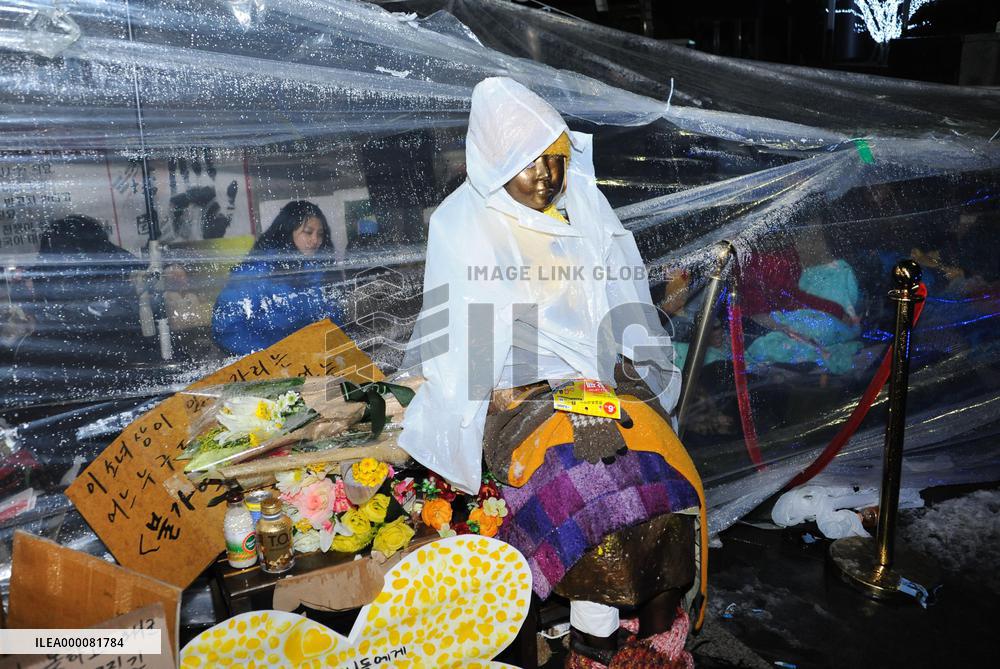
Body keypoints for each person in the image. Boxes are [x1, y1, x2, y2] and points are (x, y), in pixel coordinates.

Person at [399, 78, 706, 669]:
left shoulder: (583, 213)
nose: (546, 176)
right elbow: (457, 345)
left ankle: (658, 636)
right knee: (590, 489)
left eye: (555, 160)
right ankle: (594, 644)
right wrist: (493, 394)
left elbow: (622, 306)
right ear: (494, 165)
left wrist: (632, 363)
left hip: (598, 388)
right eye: (528, 163)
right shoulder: (466, 227)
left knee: (662, 475)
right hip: (518, 401)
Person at [212, 200, 344, 355]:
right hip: (265, 366)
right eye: (308, 232)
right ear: (288, 231)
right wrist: (277, 353)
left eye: (320, 234)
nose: (315, 240)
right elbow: (227, 329)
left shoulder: (318, 271)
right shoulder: (257, 272)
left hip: (310, 361)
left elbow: (333, 317)